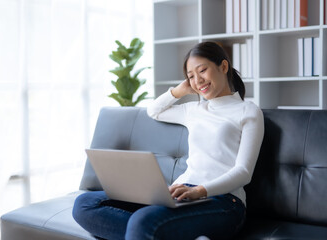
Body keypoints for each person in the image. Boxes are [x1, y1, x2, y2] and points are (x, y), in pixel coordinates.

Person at [72, 41, 264, 240]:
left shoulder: (248, 111)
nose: (198, 80)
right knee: (85, 204)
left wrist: (200, 191)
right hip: (180, 192)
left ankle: (148, 232)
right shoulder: (194, 110)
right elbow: (154, 111)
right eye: (191, 76)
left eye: (202, 71)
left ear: (223, 67)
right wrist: (180, 91)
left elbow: (243, 172)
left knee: (143, 221)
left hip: (224, 201)